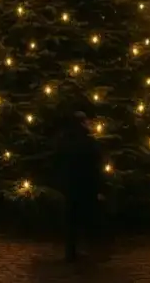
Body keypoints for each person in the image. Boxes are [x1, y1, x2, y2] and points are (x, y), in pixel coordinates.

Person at [57, 111, 103, 262]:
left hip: (70, 183)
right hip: (85, 184)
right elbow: (96, 162)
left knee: (71, 218)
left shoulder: (65, 138)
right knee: (85, 217)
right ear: (83, 123)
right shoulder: (88, 140)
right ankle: (85, 249)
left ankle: (70, 252)